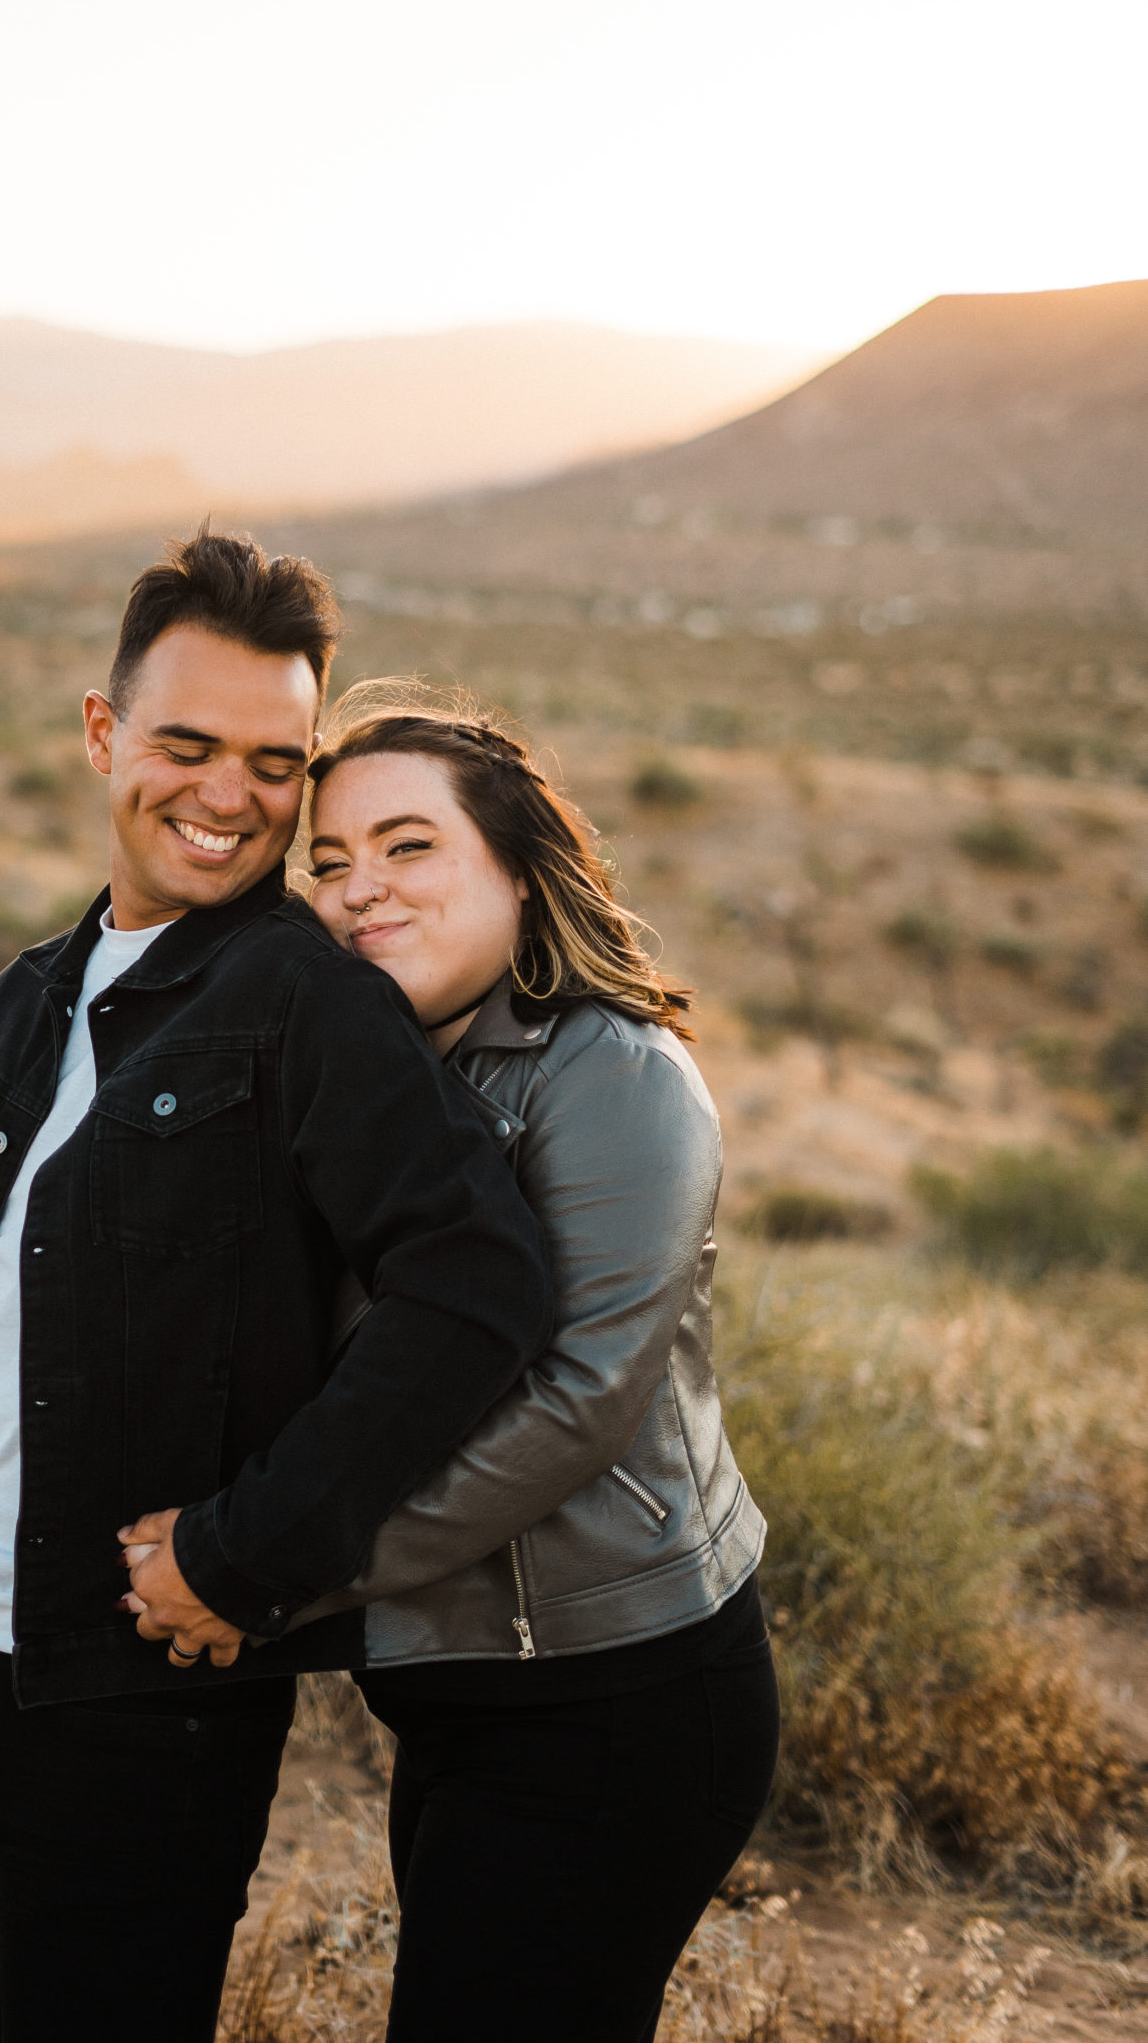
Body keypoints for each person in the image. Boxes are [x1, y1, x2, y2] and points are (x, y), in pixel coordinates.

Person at [0, 537, 552, 2043]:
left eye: (276, 761)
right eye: (186, 744)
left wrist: (250, 1555)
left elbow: (479, 1284)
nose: (228, 795)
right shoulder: (38, 987)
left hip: (131, 1695)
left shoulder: (300, 998)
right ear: (101, 734)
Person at [294, 683, 778, 2043]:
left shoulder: (615, 1077)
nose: (357, 889)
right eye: (327, 861)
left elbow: (577, 1401)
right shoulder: (386, 1078)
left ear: (518, 871)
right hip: (464, 1684)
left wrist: (279, 1572)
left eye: (406, 847)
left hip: (616, 1700)